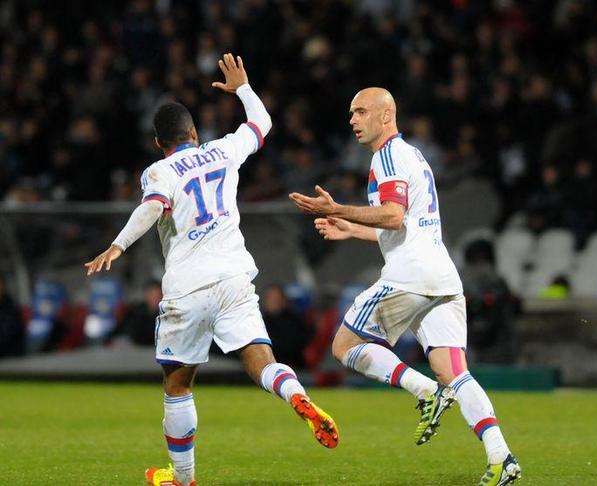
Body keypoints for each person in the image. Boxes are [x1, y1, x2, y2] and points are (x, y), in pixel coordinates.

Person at [85, 54, 338, 486]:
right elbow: (262, 123)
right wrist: (243, 88)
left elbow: (152, 208)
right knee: (262, 360)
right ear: (194, 134)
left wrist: (117, 244)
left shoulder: (160, 170)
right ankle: (297, 395)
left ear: (158, 143)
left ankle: (183, 479)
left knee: (178, 385)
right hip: (234, 277)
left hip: (188, 287)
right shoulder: (222, 150)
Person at [289, 87, 520, 485]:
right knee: (454, 371)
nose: (353, 120)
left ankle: (424, 391)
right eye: (351, 113)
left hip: (410, 275)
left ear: (385, 115)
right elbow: (405, 225)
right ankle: (501, 457)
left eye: (361, 111)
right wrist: (353, 230)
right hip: (441, 275)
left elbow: (393, 216)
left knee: (344, 346)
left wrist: (337, 208)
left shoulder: (388, 156)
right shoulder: (413, 155)